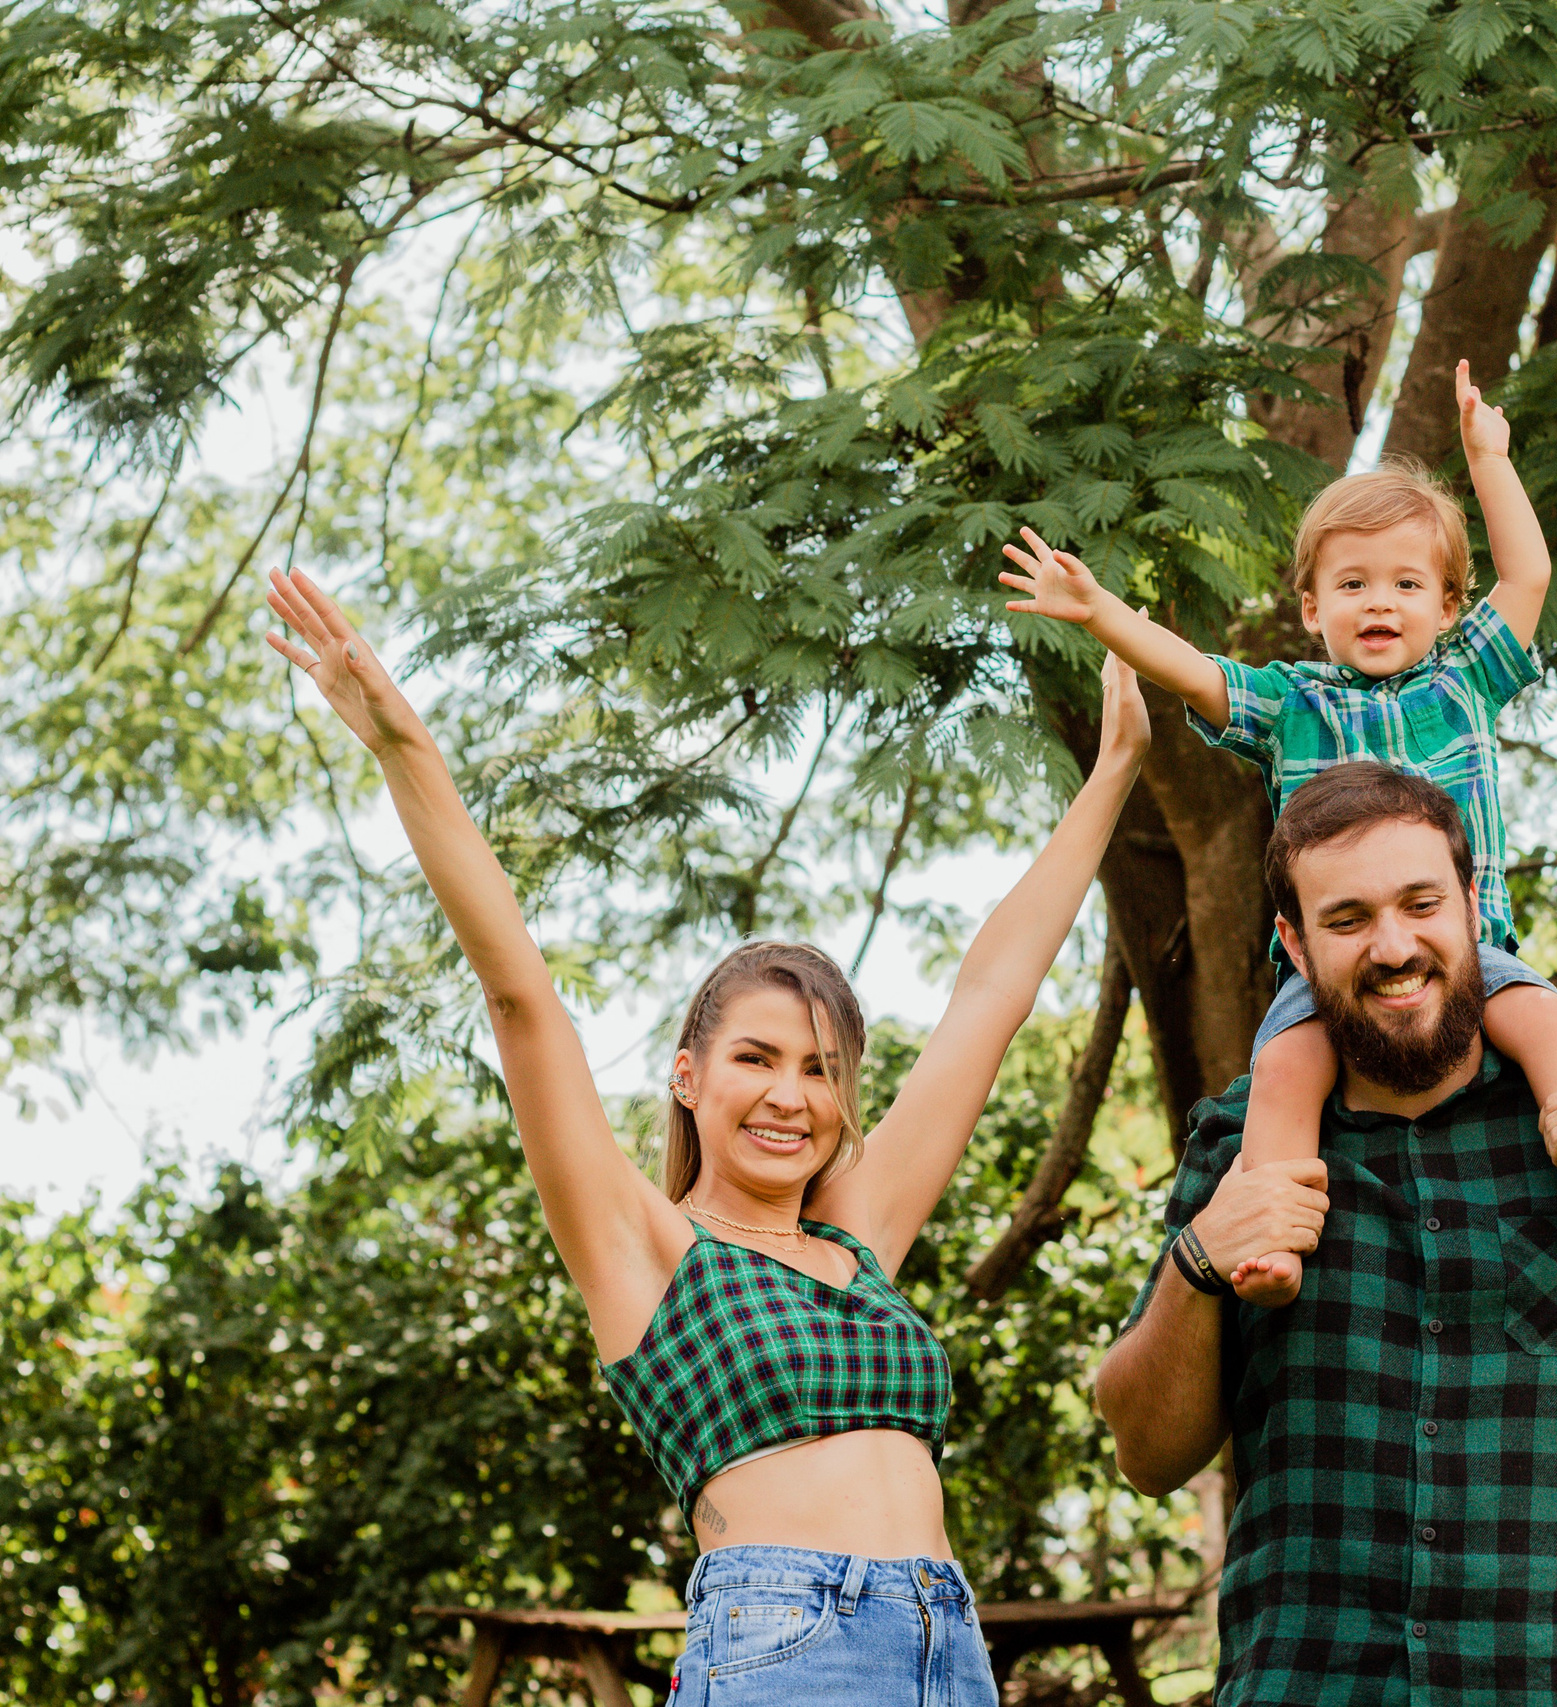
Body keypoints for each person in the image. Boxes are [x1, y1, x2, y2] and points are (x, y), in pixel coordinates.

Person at [263, 567, 1149, 1706]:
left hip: (948, 1644)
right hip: (785, 1647)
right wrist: (403, 747)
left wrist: (1114, 771)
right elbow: (520, 997)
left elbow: (989, 999)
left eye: (822, 1071)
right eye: (756, 1059)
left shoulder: (857, 1243)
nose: (792, 1095)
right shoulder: (649, 1252)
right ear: (688, 1078)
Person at [1094, 762, 1557, 1706]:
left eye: (1421, 903)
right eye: (1347, 919)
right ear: (1295, 945)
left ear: (1473, 904)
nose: (1394, 946)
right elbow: (1147, 1454)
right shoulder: (1242, 1146)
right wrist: (1199, 1258)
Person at [998, 360, 1557, 1308]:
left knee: (1547, 1022)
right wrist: (1100, 611)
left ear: (1446, 607)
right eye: (1352, 584)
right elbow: (1195, 674)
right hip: (1329, 974)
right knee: (1281, 1070)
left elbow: (1530, 572)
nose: (1381, 602)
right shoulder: (1290, 704)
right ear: (1313, 611)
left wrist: (1489, 460)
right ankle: (1269, 1235)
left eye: (1406, 583)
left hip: (1474, 956)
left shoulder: (1465, 679)